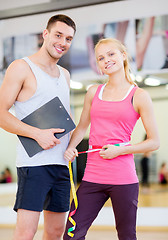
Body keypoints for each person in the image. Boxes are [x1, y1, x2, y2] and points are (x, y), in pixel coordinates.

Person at [63, 38, 160, 240]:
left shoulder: (139, 95)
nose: (106, 60)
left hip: (123, 179)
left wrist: (120, 150)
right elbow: (81, 128)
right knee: (72, 234)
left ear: (123, 55)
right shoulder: (93, 92)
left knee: (126, 236)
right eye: (101, 57)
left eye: (111, 54)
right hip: (92, 177)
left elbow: (154, 142)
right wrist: (70, 148)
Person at [0, 14, 76, 240]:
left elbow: (67, 117)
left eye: (69, 39)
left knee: (55, 232)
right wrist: (37, 134)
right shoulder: (21, 67)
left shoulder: (65, 75)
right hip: (34, 165)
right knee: (26, 232)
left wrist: (72, 145)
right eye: (58, 35)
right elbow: (1, 114)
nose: (63, 42)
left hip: (62, 165)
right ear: (45, 34)